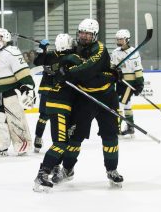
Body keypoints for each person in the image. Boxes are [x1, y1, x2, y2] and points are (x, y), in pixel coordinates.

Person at [34, 19, 123, 191]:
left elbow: (88, 69)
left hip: (106, 96)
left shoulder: (100, 49)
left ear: (95, 35)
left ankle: (112, 169)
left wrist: (68, 72)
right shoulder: (75, 48)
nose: (84, 36)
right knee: (75, 136)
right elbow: (57, 58)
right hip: (84, 98)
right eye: (82, 32)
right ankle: (67, 169)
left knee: (110, 135)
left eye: (88, 34)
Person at [33, 33, 83, 190]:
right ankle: (43, 173)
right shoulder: (72, 58)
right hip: (60, 103)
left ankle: (55, 165)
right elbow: (41, 63)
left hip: (63, 104)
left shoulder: (71, 58)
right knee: (61, 142)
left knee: (64, 142)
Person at [0, 28, 35, 157]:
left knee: (15, 118)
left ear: (6, 38)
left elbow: (22, 71)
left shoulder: (13, 52)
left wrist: (27, 87)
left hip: (9, 91)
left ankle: (22, 143)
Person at [111, 29, 144, 135]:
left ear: (127, 39)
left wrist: (140, 83)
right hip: (120, 83)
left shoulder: (134, 52)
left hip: (130, 84)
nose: (119, 41)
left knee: (119, 104)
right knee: (127, 105)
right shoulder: (115, 52)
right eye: (118, 39)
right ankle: (130, 127)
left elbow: (138, 69)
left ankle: (116, 128)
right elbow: (112, 67)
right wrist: (115, 73)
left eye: (121, 39)